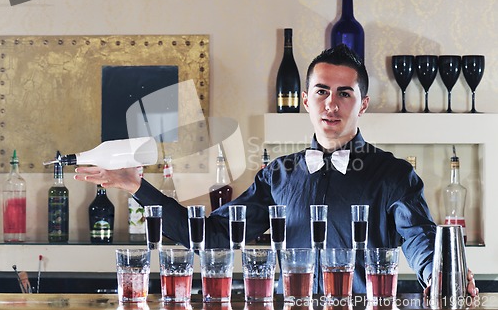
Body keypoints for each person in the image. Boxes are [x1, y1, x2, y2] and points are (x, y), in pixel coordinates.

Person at [74, 44, 478, 296]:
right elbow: (213, 235)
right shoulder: (277, 176)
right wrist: (139, 186)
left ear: (363, 103)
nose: (331, 105)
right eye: (321, 92)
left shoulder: (393, 175)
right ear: (306, 100)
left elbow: (421, 242)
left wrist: (443, 273)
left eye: (344, 94)